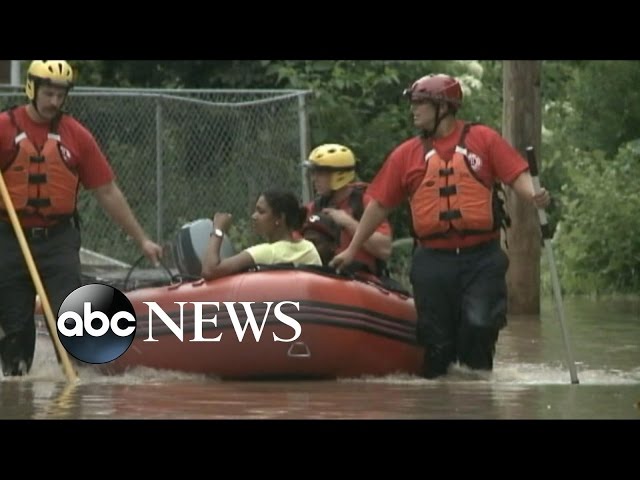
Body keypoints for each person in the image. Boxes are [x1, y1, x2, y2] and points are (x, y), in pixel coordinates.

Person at [330, 73, 551, 379]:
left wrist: (533, 195)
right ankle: (442, 398)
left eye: (420, 103)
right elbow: (379, 206)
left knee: (479, 324)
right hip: (433, 260)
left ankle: (478, 395)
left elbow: (516, 175)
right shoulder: (406, 155)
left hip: (481, 258)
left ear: (443, 107)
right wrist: (353, 249)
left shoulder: (483, 139)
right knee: (437, 344)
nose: (413, 110)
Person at [0, 60, 163, 377]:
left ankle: (76, 383)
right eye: (48, 94)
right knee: (15, 331)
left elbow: (107, 191)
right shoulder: (5, 128)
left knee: (69, 320)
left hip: (58, 240)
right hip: (10, 239)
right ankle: (17, 387)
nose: (54, 102)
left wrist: (141, 239)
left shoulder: (76, 135)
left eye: (60, 95)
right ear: (32, 89)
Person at [304, 143, 392, 276]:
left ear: (339, 175)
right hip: (325, 277)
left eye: (320, 173)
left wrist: (348, 222)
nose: (314, 179)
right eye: (313, 173)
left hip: (361, 279)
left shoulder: (364, 203)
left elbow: (384, 250)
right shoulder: (314, 207)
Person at [201, 190, 321, 280]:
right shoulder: (309, 249)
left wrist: (218, 229)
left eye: (261, 212)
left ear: (280, 218)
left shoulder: (267, 253)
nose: (254, 216)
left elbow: (210, 270)